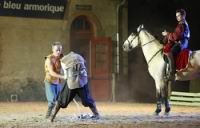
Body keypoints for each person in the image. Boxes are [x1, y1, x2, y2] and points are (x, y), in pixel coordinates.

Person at [50, 51, 100, 122]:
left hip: (72, 82)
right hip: (82, 81)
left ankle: (52, 117)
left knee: (61, 100)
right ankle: (97, 114)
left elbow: (66, 76)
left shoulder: (63, 61)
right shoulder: (79, 57)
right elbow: (83, 69)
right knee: (87, 100)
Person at [162, 9, 190, 81]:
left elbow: (176, 36)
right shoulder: (182, 24)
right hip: (183, 42)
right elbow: (176, 35)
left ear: (183, 16)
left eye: (179, 15)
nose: (177, 17)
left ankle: (172, 73)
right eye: (176, 16)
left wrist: (167, 34)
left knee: (169, 53)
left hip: (182, 43)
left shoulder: (182, 24)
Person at [44, 41, 65, 119]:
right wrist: (63, 77)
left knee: (58, 100)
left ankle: (53, 115)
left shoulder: (62, 58)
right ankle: (48, 115)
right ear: (53, 49)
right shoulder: (48, 59)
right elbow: (52, 73)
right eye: (57, 50)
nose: (58, 52)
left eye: (60, 50)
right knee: (52, 100)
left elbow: (64, 68)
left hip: (58, 82)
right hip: (50, 82)